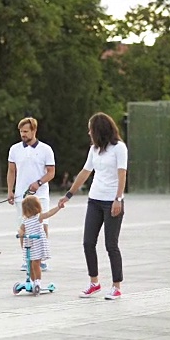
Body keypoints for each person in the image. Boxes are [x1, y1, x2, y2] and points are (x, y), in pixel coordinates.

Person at [58, 112, 128, 300]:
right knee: (88, 242)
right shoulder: (94, 150)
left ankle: (116, 286)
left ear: (99, 130)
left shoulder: (119, 148)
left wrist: (118, 199)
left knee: (111, 245)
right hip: (94, 200)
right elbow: (85, 172)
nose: (88, 132)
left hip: (112, 201)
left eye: (90, 129)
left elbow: (122, 174)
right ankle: (94, 282)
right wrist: (69, 195)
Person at [7, 117, 56, 271]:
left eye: (26, 131)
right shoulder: (14, 149)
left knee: (42, 226)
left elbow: (51, 172)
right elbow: (11, 171)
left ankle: (40, 259)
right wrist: (10, 190)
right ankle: (27, 258)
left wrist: (39, 183)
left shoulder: (45, 149)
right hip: (21, 196)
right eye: (21, 132)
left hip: (40, 195)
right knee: (23, 227)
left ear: (34, 131)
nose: (23, 134)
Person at [17, 195, 62, 295]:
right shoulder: (25, 220)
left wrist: (58, 207)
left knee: (35, 264)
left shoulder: (38, 217)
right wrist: (20, 232)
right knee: (29, 264)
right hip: (30, 245)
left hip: (38, 244)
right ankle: (32, 282)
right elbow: (21, 229)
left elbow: (49, 213)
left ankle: (38, 281)